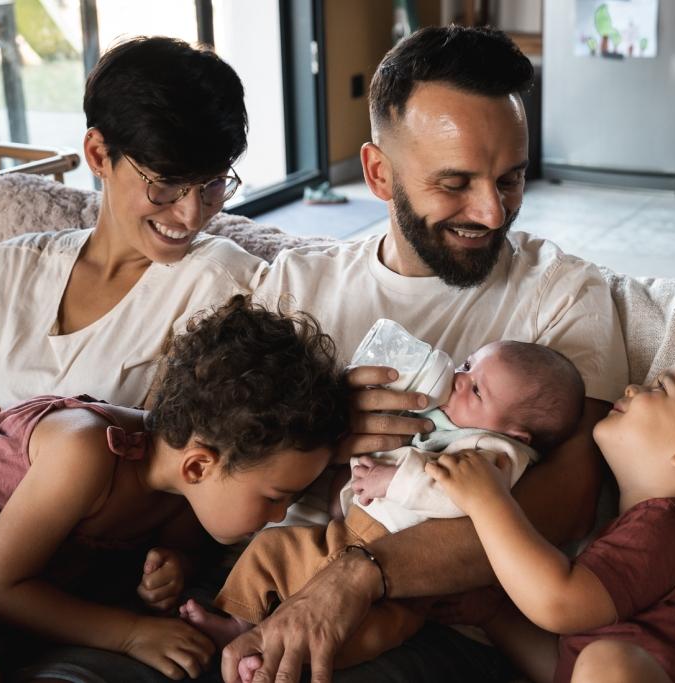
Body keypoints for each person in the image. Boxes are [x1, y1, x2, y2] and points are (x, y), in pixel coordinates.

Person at [231, 25, 629, 683]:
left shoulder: (561, 293)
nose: (493, 213)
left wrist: (359, 576)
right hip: (275, 573)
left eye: (511, 178)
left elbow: (568, 500)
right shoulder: (296, 291)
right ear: (379, 173)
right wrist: (321, 437)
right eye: (456, 182)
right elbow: (220, 470)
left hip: (446, 625)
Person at [0, 296, 349, 682]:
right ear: (199, 465)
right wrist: (132, 635)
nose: (281, 514)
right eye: (274, 496)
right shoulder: (86, 451)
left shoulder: (185, 502)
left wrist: (173, 568)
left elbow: (177, 547)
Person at [0, 36, 261, 497]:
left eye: (214, 184)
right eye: (166, 186)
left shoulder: (220, 284)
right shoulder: (9, 268)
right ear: (99, 155)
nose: (193, 214)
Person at [180, 338, 585, 678]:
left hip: (410, 570)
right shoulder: (438, 418)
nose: (458, 381)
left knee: (374, 630)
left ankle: (295, 663)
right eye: (465, 367)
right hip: (341, 535)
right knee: (270, 550)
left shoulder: (496, 452)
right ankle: (239, 620)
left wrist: (392, 480)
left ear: (516, 432)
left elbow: (455, 493)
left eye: (477, 390)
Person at [426, 348, 675, 683]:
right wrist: (496, 616)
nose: (634, 387)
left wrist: (488, 502)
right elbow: (567, 669)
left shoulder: (673, 524)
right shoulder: (650, 537)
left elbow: (558, 603)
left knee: (610, 663)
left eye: (659, 389)